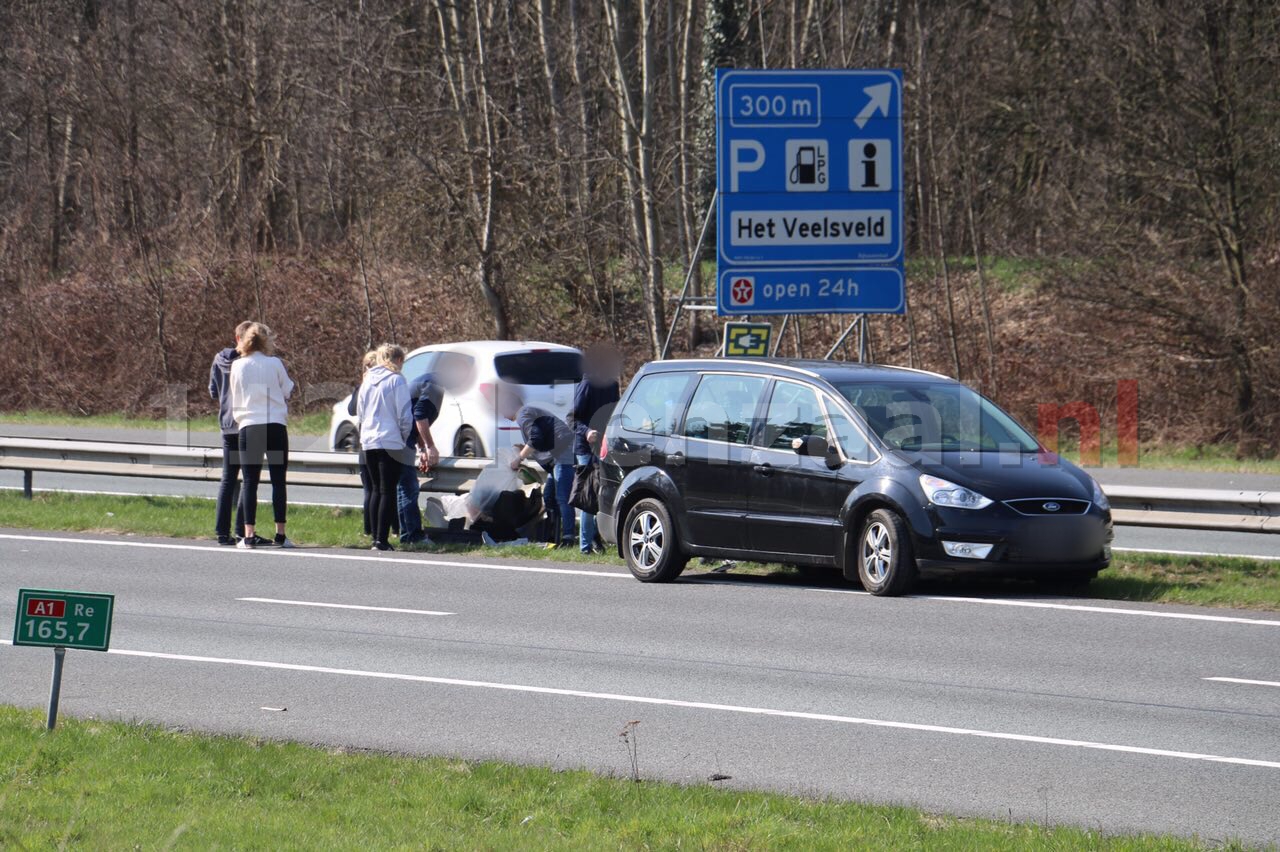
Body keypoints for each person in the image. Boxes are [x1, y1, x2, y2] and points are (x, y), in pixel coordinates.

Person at [229, 322, 296, 549]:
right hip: (275, 425)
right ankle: (280, 534)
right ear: (266, 340)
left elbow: (234, 396)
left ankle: (248, 535)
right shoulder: (274, 363)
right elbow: (287, 389)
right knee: (278, 480)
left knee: (250, 481)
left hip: (250, 425)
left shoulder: (238, 366)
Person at [502, 387, 577, 547]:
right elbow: (540, 437)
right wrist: (523, 446)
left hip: (562, 453)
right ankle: (553, 535)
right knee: (549, 496)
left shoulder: (523, 414)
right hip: (558, 455)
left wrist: (519, 458)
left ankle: (568, 538)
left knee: (563, 497)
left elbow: (535, 438)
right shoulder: (526, 413)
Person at [357, 343, 413, 551]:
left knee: (375, 490)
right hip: (390, 440)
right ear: (398, 360)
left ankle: (374, 538)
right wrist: (402, 437)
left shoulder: (367, 380)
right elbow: (405, 415)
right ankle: (382, 539)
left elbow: (361, 412)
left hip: (369, 441)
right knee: (387, 490)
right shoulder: (397, 380)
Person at [570, 343, 622, 553]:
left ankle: (596, 539)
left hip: (604, 446)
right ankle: (585, 546)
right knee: (590, 496)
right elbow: (572, 418)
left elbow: (615, 413)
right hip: (586, 448)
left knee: (603, 494)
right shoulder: (588, 384)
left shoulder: (612, 385)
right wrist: (586, 432)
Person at [208, 321, 253, 546]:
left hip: (227, 423)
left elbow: (213, 391)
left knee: (228, 478)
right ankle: (241, 530)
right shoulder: (250, 363)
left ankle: (221, 532)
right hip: (247, 423)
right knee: (248, 479)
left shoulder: (219, 359)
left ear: (236, 338)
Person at [347, 350, 379, 537]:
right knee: (377, 489)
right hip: (376, 442)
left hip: (365, 442)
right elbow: (353, 410)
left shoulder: (363, 387)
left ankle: (369, 529)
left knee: (370, 489)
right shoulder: (383, 384)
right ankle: (376, 529)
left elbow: (352, 409)